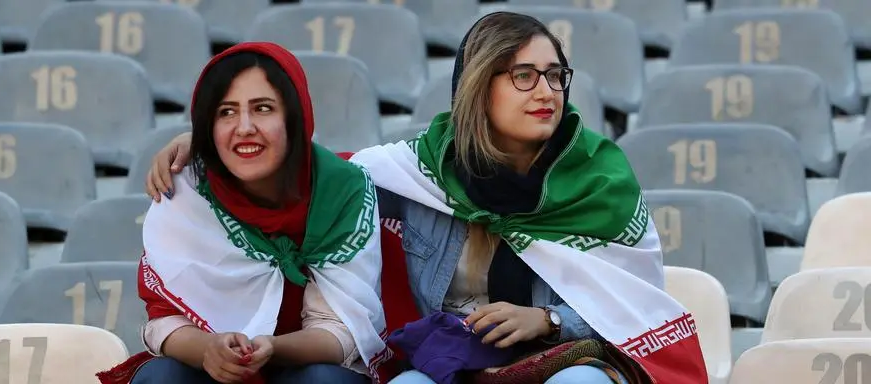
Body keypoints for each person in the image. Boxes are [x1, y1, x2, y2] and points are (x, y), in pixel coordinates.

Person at [144, 12, 708, 384]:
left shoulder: (600, 181)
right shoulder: (419, 172)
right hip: (451, 359)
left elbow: (631, 303)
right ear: (477, 87)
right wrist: (210, 143)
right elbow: (317, 172)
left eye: (555, 75)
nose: (546, 91)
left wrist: (548, 321)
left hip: (563, 360)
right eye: (524, 76)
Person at [98, 42, 395, 384]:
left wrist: (268, 347)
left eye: (263, 108)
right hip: (211, 368)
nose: (244, 127)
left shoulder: (341, 189)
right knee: (163, 375)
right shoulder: (188, 186)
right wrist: (209, 348)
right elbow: (163, 322)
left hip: (303, 365)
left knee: (325, 380)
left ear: (294, 118)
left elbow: (340, 333)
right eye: (226, 112)